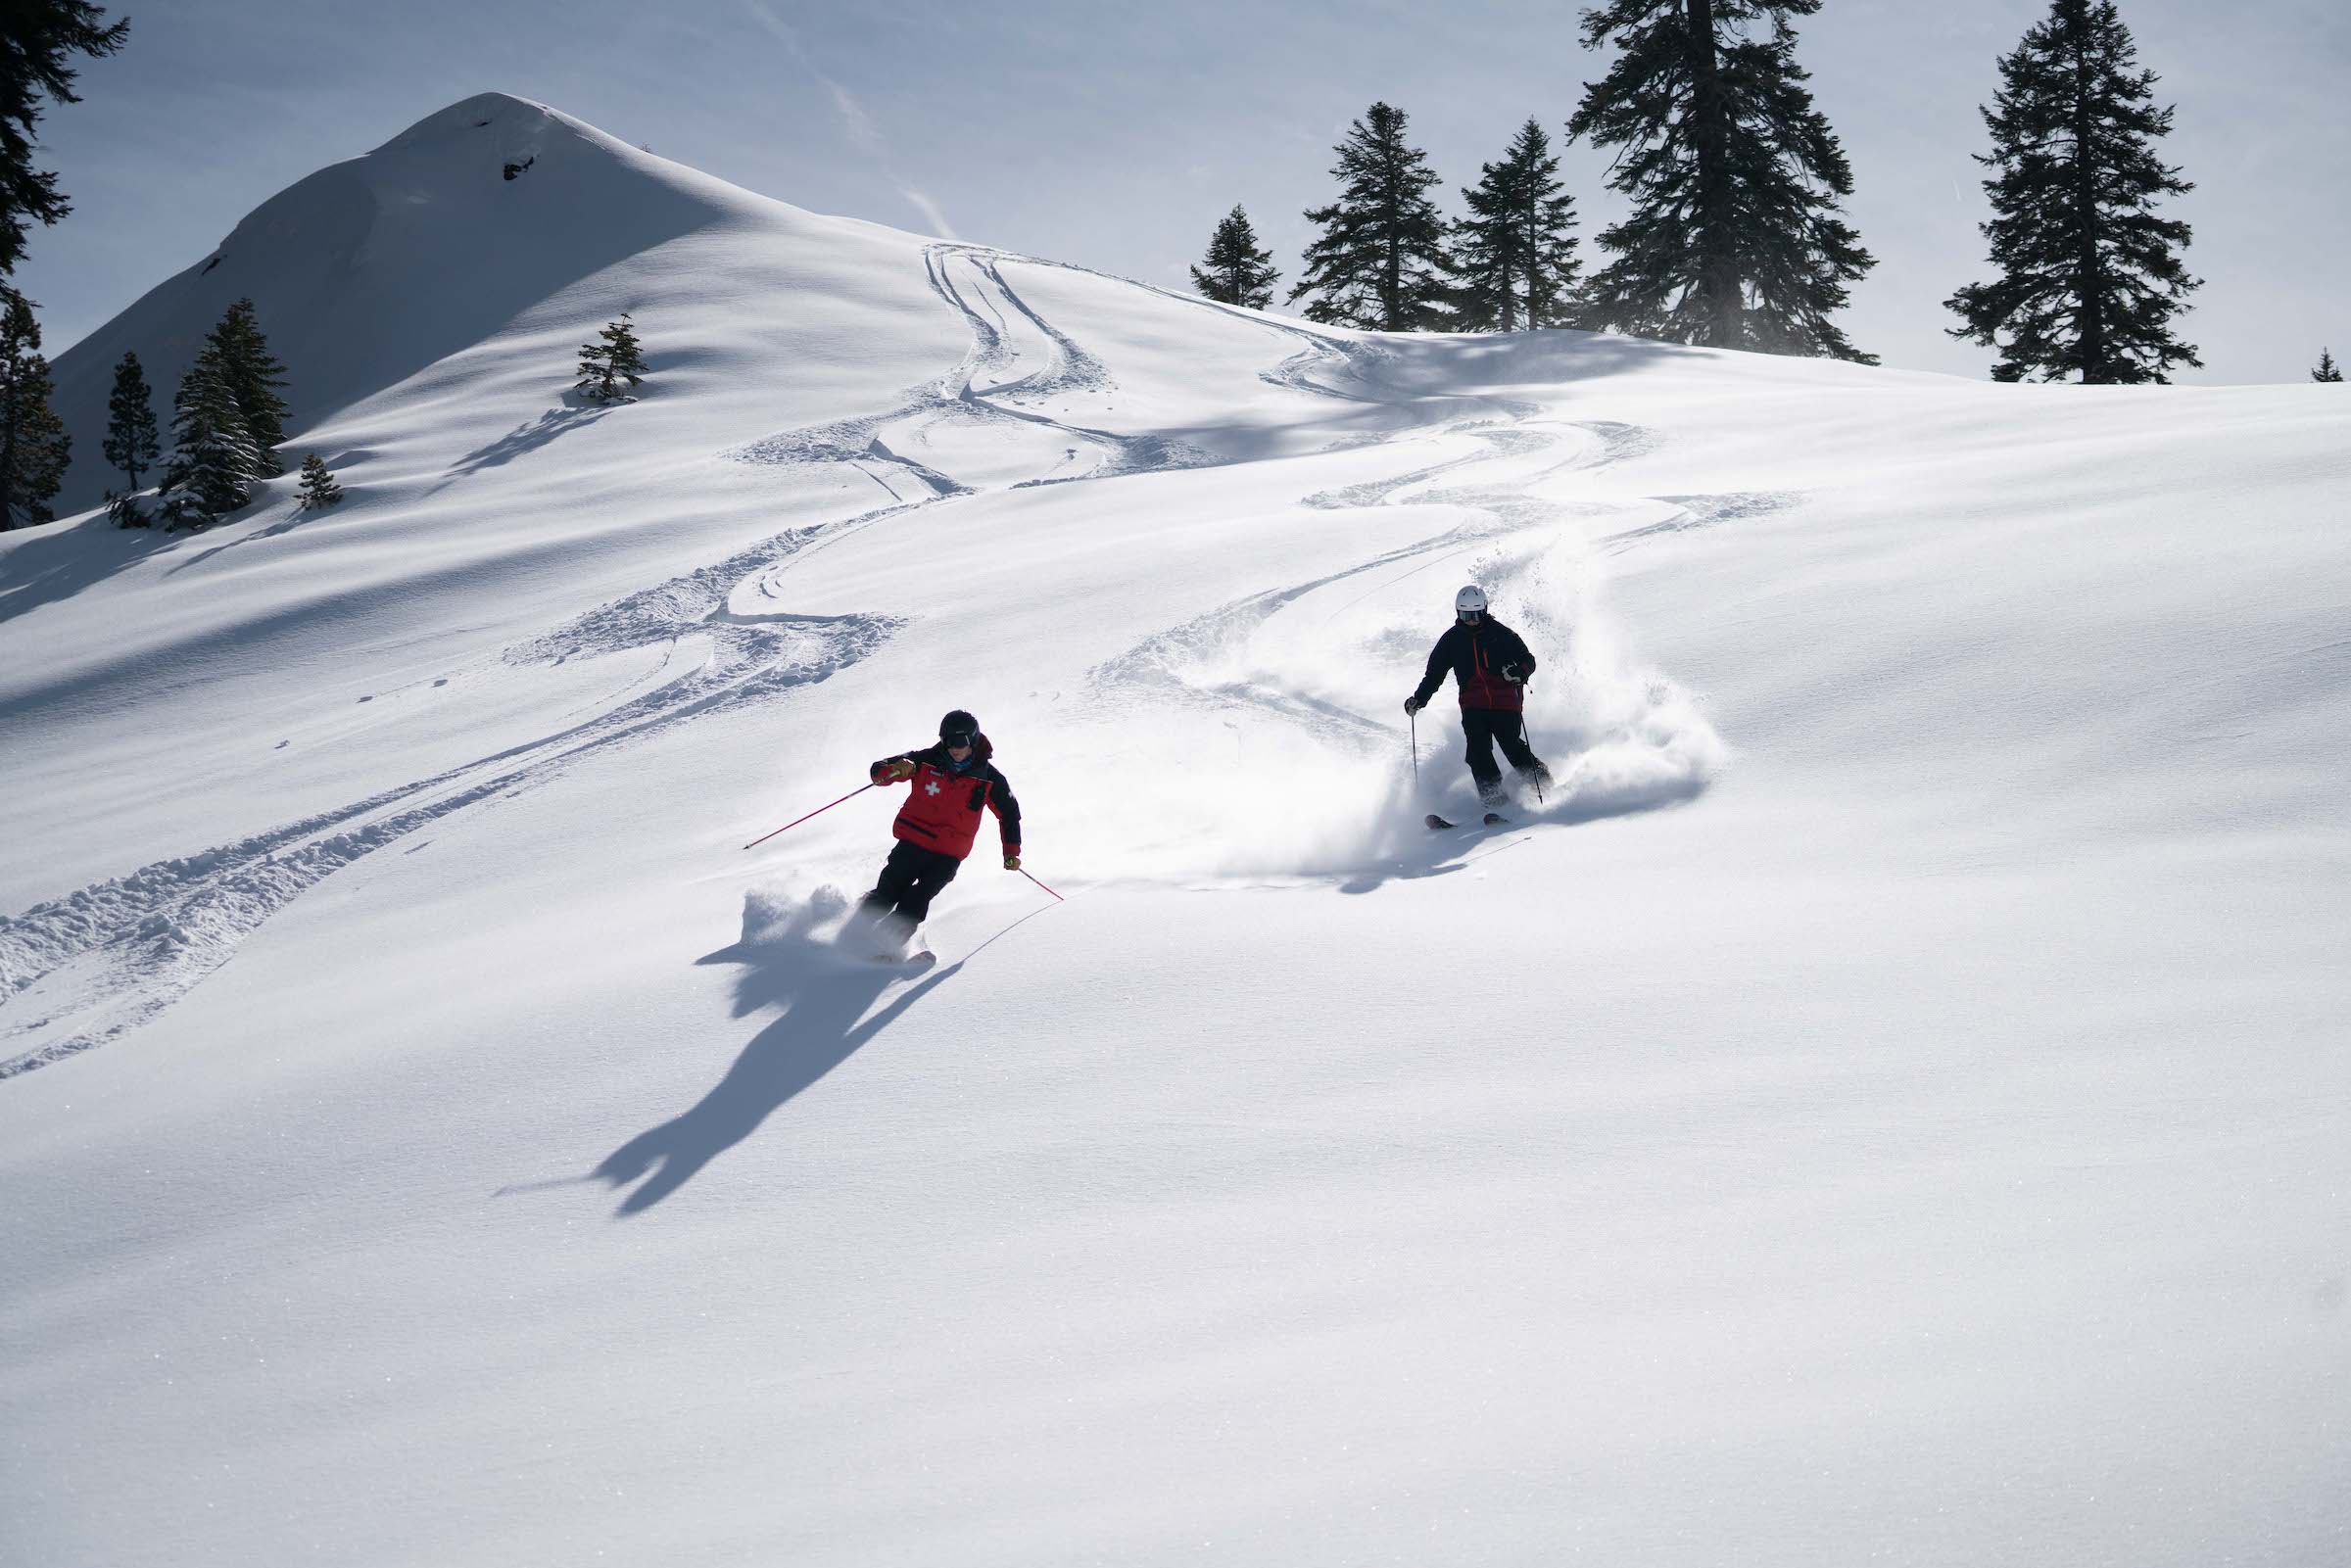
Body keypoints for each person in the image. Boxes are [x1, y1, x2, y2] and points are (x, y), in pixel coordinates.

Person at [857, 709, 1023, 953]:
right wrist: (893, 770)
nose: (954, 748)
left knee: (917, 899)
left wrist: (1011, 850)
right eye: (948, 741)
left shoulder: (990, 779)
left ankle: (886, 949)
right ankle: (854, 932)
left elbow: (1009, 813)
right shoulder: (923, 761)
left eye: (960, 742)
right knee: (889, 889)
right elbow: (878, 771)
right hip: (913, 842)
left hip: (948, 855)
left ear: (973, 741)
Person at [1403, 586, 1552, 809]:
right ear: (1457, 613)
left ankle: (1544, 784)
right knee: (1477, 753)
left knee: (1511, 746)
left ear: (1485, 610)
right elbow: (1434, 675)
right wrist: (1419, 699)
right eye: (1466, 615)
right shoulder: (1451, 641)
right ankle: (1495, 801)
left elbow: (1528, 660)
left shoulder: (1502, 634)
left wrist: (1519, 673)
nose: (1471, 620)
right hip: (1473, 705)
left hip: (1505, 701)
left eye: (1476, 615)